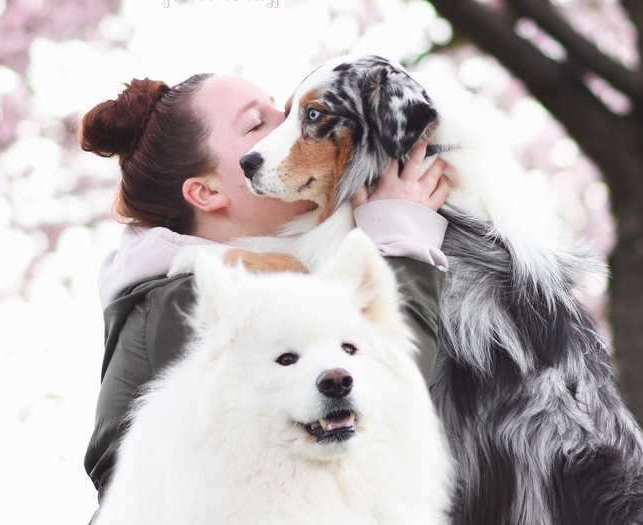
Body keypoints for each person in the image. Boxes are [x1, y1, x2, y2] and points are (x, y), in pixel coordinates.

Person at [79, 73, 451, 517]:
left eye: (281, 106)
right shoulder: (193, 300)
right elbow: (397, 391)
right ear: (206, 192)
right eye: (257, 123)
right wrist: (401, 239)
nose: (292, 121)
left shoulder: (267, 285)